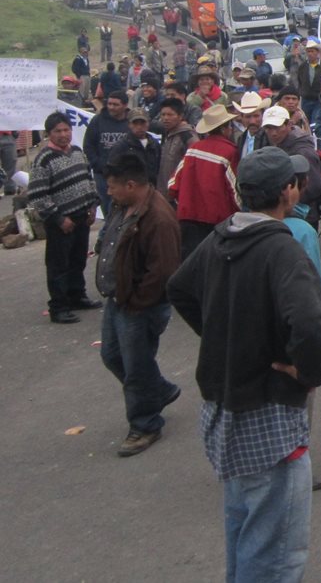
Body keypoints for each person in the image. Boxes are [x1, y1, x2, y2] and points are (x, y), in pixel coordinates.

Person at [167, 147, 321, 583]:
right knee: (275, 552)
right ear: (287, 192)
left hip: (224, 410)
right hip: (269, 416)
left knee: (245, 531)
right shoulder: (282, 247)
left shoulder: (222, 235)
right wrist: (308, 373)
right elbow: (312, 322)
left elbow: (180, 288)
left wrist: (224, 338)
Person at [95, 152, 182, 457]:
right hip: (119, 297)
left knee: (136, 366)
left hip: (139, 305)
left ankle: (145, 424)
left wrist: (137, 302)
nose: (109, 191)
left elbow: (163, 271)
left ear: (131, 185)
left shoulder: (157, 218)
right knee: (111, 355)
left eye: (113, 186)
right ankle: (158, 389)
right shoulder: (123, 206)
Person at [27, 112, 102, 324]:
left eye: (66, 129)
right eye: (57, 131)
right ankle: (58, 307)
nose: (63, 134)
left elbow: (88, 180)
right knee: (58, 265)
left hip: (82, 217)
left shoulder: (78, 152)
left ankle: (77, 295)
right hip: (61, 222)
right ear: (49, 134)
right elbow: (38, 195)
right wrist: (59, 219)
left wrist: (92, 207)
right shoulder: (43, 159)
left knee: (78, 260)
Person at [168, 104, 241, 258]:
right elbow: (235, 192)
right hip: (217, 223)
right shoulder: (229, 152)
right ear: (224, 129)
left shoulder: (193, 149)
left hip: (188, 221)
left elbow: (172, 185)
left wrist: (185, 203)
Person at [262, 106, 321, 224]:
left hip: (304, 215)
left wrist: (289, 201)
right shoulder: (280, 144)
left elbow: (316, 186)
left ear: (289, 124)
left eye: (277, 127)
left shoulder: (303, 151)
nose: (273, 133)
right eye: (268, 128)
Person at [83, 91, 131, 223]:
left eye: (116, 104)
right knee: (107, 209)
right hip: (103, 174)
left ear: (125, 105)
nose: (111, 107)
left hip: (125, 174)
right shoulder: (97, 121)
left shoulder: (131, 122)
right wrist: (98, 165)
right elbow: (88, 145)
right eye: (109, 104)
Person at [107, 108, 162, 186]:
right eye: (135, 123)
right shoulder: (121, 146)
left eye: (142, 123)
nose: (139, 127)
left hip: (151, 189)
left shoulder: (155, 145)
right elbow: (111, 171)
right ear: (129, 124)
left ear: (148, 123)